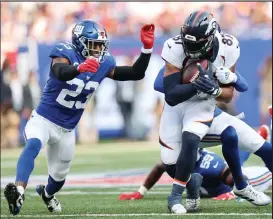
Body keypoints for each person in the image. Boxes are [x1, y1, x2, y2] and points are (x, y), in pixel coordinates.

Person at [4, 20, 155, 216]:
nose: (99, 49)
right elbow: (60, 71)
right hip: (44, 119)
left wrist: (146, 49)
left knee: (58, 178)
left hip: (67, 129)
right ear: (80, 42)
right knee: (32, 145)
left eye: (101, 45)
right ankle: (19, 191)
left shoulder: (105, 62)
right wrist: (79, 68)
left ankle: (47, 194)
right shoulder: (64, 51)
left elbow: (136, 73)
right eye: (95, 45)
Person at [154, 10, 271, 214]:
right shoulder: (174, 48)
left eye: (196, 44)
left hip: (205, 107)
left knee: (260, 146)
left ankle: (240, 186)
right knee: (171, 164)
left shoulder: (228, 47)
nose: (191, 49)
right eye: (187, 43)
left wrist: (216, 88)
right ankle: (191, 186)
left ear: (211, 38)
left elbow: (227, 94)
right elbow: (170, 94)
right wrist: (196, 86)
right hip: (177, 109)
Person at [118, 125, 272, 201]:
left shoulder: (207, 165)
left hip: (253, 180)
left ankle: (260, 140)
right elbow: (160, 166)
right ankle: (259, 137)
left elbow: (240, 177)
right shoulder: (174, 160)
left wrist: (231, 192)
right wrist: (141, 192)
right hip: (219, 177)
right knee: (235, 160)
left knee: (262, 171)